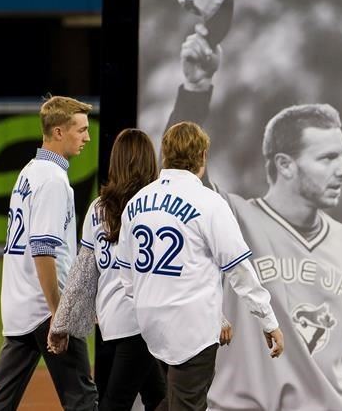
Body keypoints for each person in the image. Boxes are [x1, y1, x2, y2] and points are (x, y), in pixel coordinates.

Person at [166, 30, 342, 410]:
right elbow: (182, 172)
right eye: (328, 158)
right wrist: (195, 89)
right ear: (285, 165)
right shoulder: (233, 215)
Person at [116, 121, 284, 411]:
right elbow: (239, 270)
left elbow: (128, 279)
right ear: (203, 156)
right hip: (191, 331)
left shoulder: (137, 202)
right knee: (187, 404)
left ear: (164, 155)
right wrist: (268, 320)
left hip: (151, 325)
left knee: (176, 400)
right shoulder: (209, 203)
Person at [0, 95, 98, 411]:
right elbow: (43, 250)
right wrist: (60, 314)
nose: (87, 137)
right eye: (80, 130)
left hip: (22, 305)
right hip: (47, 309)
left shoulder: (30, 172)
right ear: (58, 132)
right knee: (83, 400)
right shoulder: (52, 180)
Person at [47, 128, 166, 411]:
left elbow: (82, 274)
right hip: (144, 321)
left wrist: (61, 323)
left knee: (155, 396)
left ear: (116, 162)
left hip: (111, 323)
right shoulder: (155, 207)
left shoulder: (98, 208)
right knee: (125, 402)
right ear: (150, 162)